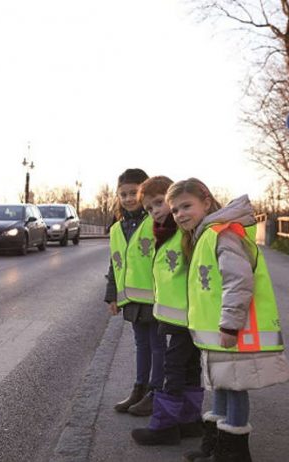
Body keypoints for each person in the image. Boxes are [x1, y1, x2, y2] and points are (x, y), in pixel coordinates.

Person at [166, 178, 289, 462]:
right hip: (218, 333)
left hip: (232, 331)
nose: (180, 214)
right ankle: (216, 444)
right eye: (175, 210)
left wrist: (230, 325)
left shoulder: (223, 234)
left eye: (186, 206)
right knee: (222, 384)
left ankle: (233, 452)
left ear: (207, 202)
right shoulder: (204, 235)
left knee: (234, 387)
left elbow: (238, 281)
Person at [130, 176, 203, 446]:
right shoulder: (167, 233)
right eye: (149, 209)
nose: (156, 211)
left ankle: (165, 426)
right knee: (189, 367)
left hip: (187, 315)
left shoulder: (184, 232)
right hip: (178, 315)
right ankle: (189, 421)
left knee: (173, 368)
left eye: (160, 203)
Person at [105, 168, 166, 417]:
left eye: (135, 193)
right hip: (132, 299)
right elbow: (115, 262)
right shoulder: (117, 228)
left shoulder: (155, 221)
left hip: (157, 297)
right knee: (141, 345)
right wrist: (112, 295)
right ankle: (139, 389)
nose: (129, 198)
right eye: (124, 194)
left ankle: (156, 391)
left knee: (157, 346)